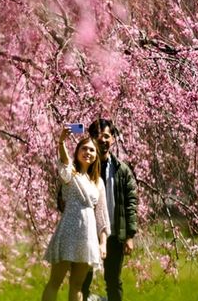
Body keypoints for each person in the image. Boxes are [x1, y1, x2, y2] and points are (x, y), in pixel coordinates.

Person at [42, 127, 110, 301]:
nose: (88, 152)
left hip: (87, 237)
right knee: (55, 282)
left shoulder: (98, 182)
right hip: (68, 233)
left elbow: (102, 215)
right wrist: (61, 141)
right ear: (77, 152)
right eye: (84, 148)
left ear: (96, 155)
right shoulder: (70, 173)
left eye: (92, 150)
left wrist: (103, 244)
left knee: (77, 286)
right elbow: (64, 161)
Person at [80, 119, 138, 301]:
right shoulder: (82, 168)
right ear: (91, 138)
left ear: (113, 139)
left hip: (114, 234)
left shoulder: (122, 170)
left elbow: (131, 203)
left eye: (106, 136)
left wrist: (129, 236)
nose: (102, 139)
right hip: (88, 234)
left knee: (113, 281)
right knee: (82, 281)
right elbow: (64, 198)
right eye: (97, 135)